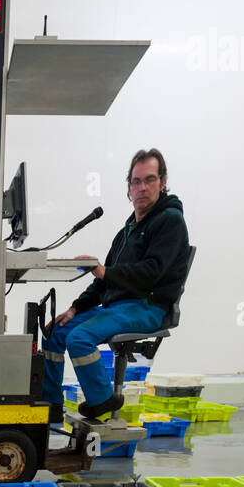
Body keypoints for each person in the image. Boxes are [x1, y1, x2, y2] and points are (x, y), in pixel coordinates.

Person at [42, 148, 190, 424]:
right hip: (116, 307)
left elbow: (150, 273)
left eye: (149, 180)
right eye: (136, 181)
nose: (142, 187)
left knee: (79, 338)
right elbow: (104, 281)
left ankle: (102, 400)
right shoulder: (127, 231)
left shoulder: (170, 222)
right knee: (55, 333)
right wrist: (75, 309)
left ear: (163, 182)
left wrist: (104, 271)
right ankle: (50, 406)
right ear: (129, 187)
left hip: (148, 306)